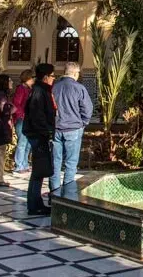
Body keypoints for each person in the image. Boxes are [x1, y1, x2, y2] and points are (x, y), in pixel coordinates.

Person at [50, 62, 93, 194]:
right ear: (75, 73)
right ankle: (67, 196)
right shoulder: (79, 88)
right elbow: (87, 108)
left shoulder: (53, 88)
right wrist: (82, 123)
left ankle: (55, 195)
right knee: (71, 164)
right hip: (73, 129)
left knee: (55, 164)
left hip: (56, 129)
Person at [23, 63, 56, 215]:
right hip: (37, 134)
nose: (53, 79)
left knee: (39, 170)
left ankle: (35, 203)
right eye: (52, 76)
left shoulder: (41, 90)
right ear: (45, 77)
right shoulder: (38, 91)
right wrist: (46, 132)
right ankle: (34, 204)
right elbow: (37, 115)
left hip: (38, 133)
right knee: (39, 170)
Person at [13, 68, 34, 174]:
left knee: (28, 143)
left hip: (29, 119)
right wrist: (22, 115)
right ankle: (19, 165)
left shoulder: (30, 89)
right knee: (22, 142)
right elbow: (16, 104)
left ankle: (25, 163)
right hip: (22, 119)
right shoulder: (21, 89)